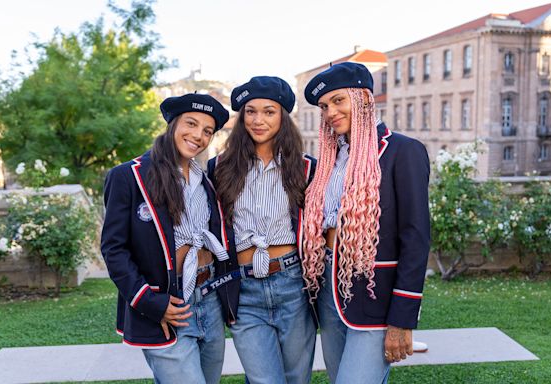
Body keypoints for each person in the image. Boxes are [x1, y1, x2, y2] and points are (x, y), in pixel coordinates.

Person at [301, 62, 430, 383]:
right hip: (329, 292)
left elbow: (416, 239)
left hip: (375, 297)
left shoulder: (403, 151)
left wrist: (402, 319)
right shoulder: (330, 160)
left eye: (338, 101)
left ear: (363, 99)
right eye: (324, 106)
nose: (330, 112)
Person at [101, 93, 237, 384]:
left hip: (209, 300)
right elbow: (114, 250)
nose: (198, 135)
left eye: (207, 131)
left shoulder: (206, 181)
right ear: (173, 124)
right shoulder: (128, 177)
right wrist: (150, 302)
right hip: (167, 303)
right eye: (191, 123)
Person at [207, 76, 317, 384]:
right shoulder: (219, 168)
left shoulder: (306, 168)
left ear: (283, 116)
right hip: (244, 289)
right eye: (251, 112)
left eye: (269, 111)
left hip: (292, 283)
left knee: (296, 378)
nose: (258, 120)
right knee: (264, 380)